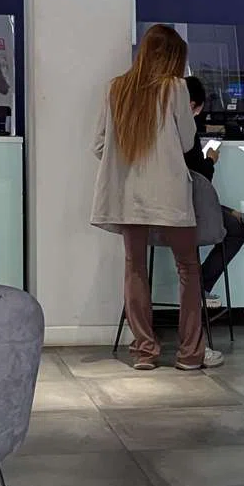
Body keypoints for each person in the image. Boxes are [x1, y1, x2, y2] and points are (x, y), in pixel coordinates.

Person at [91, 24, 220, 372]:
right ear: (173, 58)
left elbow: (100, 145)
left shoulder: (116, 88)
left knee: (134, 267)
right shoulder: (175, 88)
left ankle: (144, 351)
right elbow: (187, 142)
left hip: (128, 196)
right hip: (169, 194)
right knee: (188, 267)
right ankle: (190, 353)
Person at [182, 76, 244, 306]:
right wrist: (210, 159)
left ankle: (243, 217)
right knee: (233, 229)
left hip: (161, 211)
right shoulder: (187, 132)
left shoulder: (159, 129)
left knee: (204, 204)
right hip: (188, 210)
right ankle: (201, 286)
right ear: (192, 105)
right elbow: (201, 178)